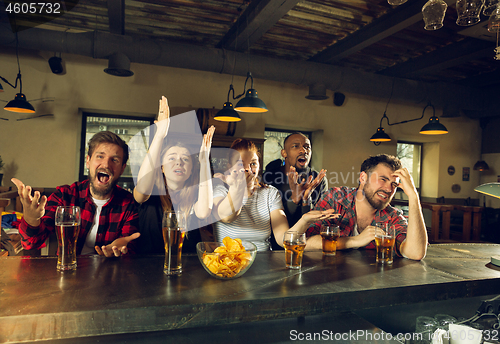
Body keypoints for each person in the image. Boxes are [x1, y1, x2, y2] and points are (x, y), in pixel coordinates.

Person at [12, 131, 140, 257]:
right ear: (88, 161)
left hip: (109, 273)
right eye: (100, 156)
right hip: (67, 271)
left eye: (115, 160)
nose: (106, 164)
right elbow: (30, 244)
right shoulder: (65, 196)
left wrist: (123, 248)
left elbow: (130, 248)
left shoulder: (128, 203)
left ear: (122, 168)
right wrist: (31, 218)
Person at [213, 138, 335, 252]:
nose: (248, 170)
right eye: (240, 164)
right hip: (230, 262)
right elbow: (228, 217)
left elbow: (283, 238)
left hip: (264, 262)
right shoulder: (220, 190)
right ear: (229, 167)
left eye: (253, 163)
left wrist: (305, 220)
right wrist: (238, 187)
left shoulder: (270, 193)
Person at [305, 154, 427, 260]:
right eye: (383, 179)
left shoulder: (392, 216)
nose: (389, 189)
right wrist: (355, 240)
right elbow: (306, 241)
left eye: (394, 184)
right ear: (363, 178)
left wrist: (413, 196)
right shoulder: (336, 198)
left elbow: (415, 253)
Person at [133, 96, 215, 254]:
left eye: (185, 159)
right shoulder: (150, 194)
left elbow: (204, 212)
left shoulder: (197, 194)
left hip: (187, 271)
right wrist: (159, 136)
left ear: (191, 169)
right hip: (147, 272)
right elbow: (142, 188)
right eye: (171, 158)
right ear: (161, 167)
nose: (179, 162)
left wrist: (204, 160)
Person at [262, 132, 328, 249]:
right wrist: (294, 200)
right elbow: (267, 220)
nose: (303, 150)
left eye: (307, 147)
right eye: (296, 146)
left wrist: (306, 200)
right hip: (276, 246)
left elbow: (317, 221)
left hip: (308, 244)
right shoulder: (269, 176)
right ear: (284, 153)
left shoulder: (318, 179)